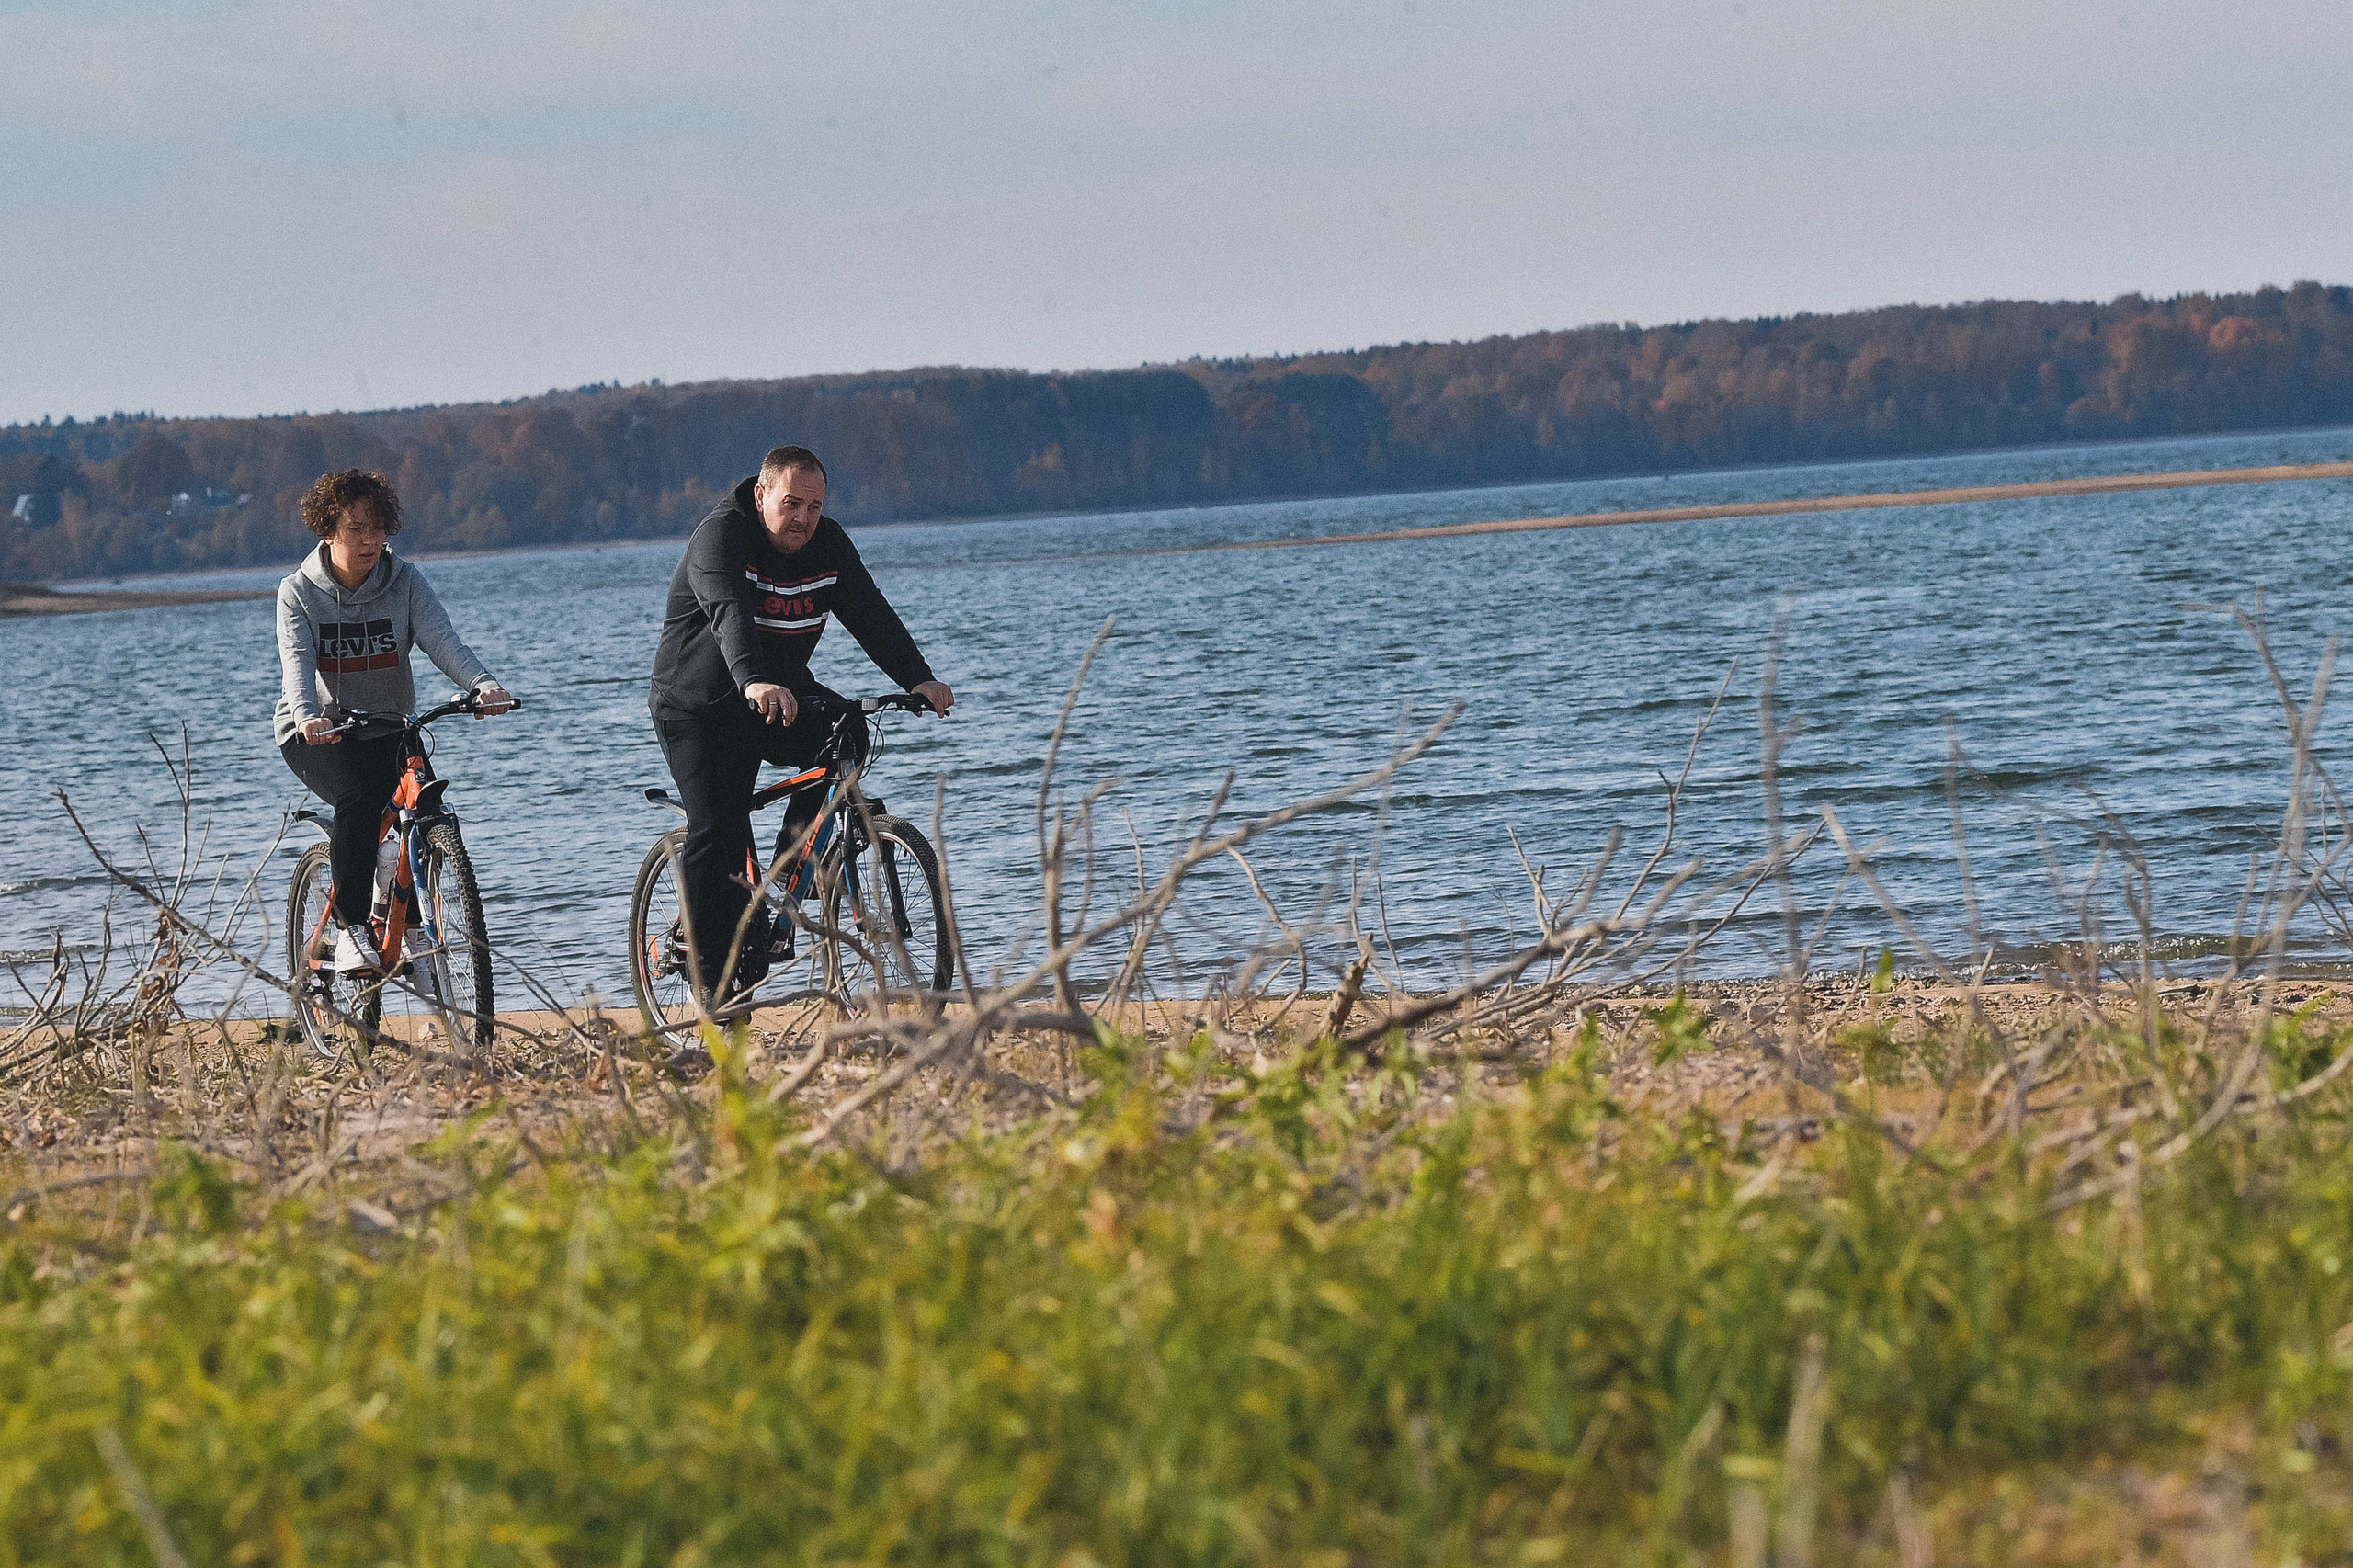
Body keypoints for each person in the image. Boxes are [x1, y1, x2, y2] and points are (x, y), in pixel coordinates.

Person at [649, 444, 952, 999]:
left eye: (814, 507)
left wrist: (918, 677)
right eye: (792, 504)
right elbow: (729, 612)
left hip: (776, 692)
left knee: (847, 734)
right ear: (761, 495)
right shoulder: (721, 538)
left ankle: (783, 881)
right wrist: (752, 679)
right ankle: (710, 987)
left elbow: (869, 611)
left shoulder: (829, 545)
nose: (804, 519)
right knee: (717, 828)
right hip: (697, 706)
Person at [273, 469, 515, 972]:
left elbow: (442, 640)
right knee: (359, 798)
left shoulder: (404, 581)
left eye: (378, 527)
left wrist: (482, 684)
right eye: (357, 528)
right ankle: (350, 930)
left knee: (427, 806)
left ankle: (406, 925)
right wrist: (306, 716)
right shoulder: (297, 592)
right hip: (319, 733)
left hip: (388, 724)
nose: (371, 540)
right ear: (327, 530)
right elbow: (296, 666)